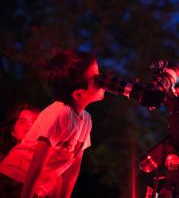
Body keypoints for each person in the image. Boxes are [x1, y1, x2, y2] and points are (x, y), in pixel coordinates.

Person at [0, 49, 105, 197]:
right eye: (96, 78)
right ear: (79, 94)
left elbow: (72, 169)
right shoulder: (59, 113)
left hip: (37, 187)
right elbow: (37, 164)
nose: (103, 81)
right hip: (15, 178)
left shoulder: (86, 120)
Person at [0, 103, 40, 197]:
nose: (30, 125)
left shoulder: (53, 164)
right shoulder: (2, 161)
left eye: (36, 121)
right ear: (12, 131)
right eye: (22, 121)